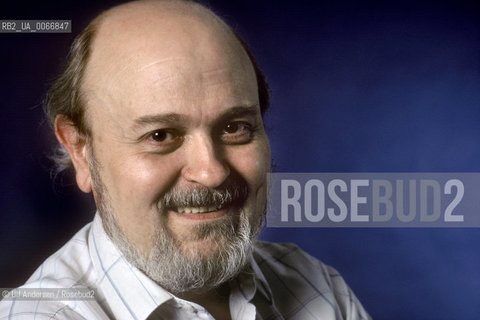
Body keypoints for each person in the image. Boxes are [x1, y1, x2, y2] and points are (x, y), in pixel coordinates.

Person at [0, 0, 371, 319]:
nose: (210, 172)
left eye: (235, 128)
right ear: (80, 150)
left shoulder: (317, 286)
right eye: (160, 136)